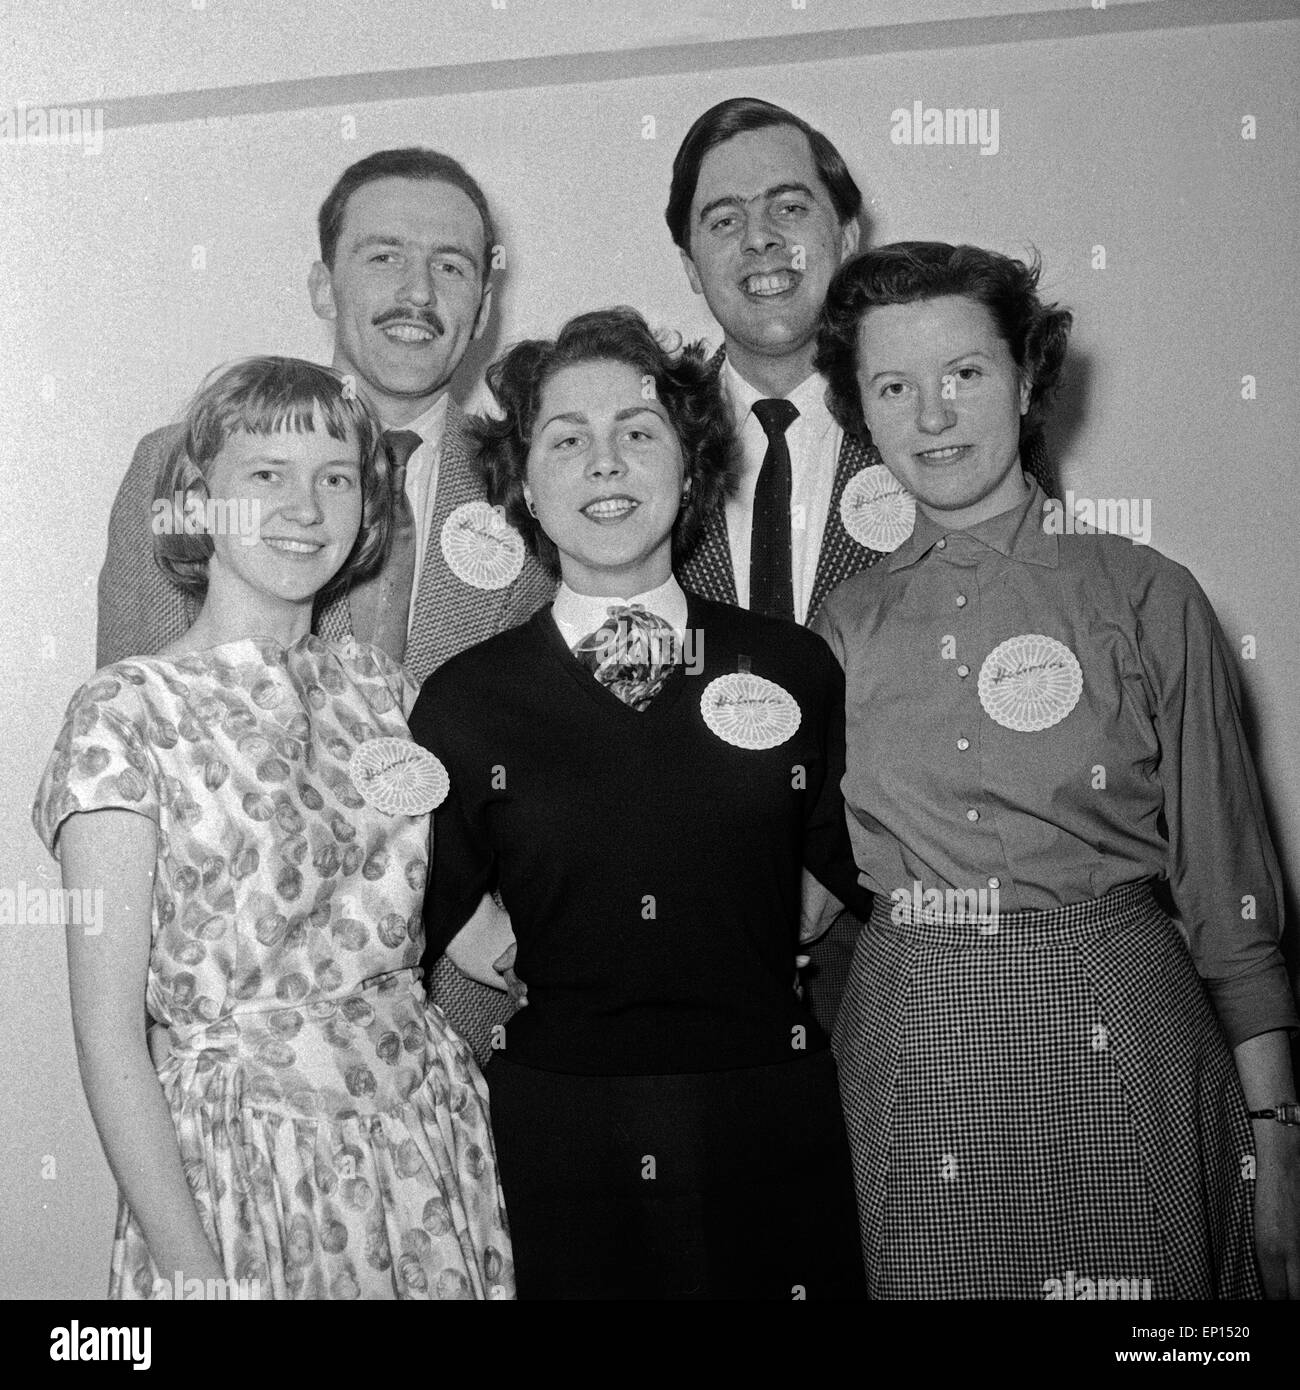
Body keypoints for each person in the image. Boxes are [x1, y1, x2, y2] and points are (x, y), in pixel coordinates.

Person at [811, 241, 1300, 1299]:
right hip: (913, 1047)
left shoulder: (1143, 592)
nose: (932, 415)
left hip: (1119, 1031)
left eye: (966, 374)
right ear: (861, 413)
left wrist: (1275, 1134)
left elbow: (1231, 889)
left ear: (1028, 379)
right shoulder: (841, 628)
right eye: (894, 386)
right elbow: (792, 888)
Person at [408, 308, 870, 1299]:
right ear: (523, 484)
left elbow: (850, 864)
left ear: (692, 462)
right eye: (566, 440)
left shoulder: (789, 666)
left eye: (639, 431)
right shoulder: (467, 699)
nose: (605, 463)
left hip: (767, 1117)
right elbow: (411, 922)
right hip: (560, 1138)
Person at [35, 356, 513, 1300]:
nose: (306, 506)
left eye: (336, 478)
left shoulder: (387, 696)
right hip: (245, 1171)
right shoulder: (124, 715)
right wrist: (193, 1274)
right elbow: (110, 1040)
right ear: (195, 500)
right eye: (266, 475)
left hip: (423, 1144)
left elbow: (478, 931)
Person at [96, 147, 556, 1066]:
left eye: (452, 265)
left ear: (483, 307)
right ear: (322, 283)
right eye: (384, 256)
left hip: (479, 1028)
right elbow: (148, 777)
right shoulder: (181, 466)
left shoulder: (534, 482)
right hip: (247, 1035)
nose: (417, 291)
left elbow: (552, 767)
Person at [666, 98, 1054, 1031]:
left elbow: (1006, 685)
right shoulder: (640, 436)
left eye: (789, 207)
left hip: (901, 950)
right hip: (678, 936)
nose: (760, 240)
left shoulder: (937, 425)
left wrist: (825, 871)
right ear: (689, 262)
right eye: (724, 219)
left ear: (845, 231)